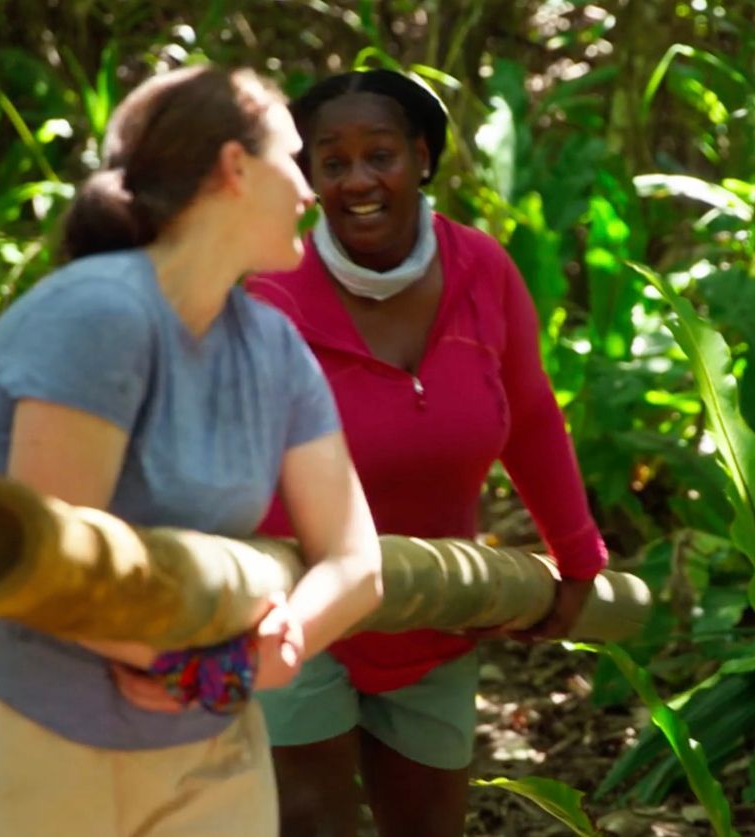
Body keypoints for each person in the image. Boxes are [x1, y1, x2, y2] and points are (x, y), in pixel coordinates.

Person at [0, 65, 383, 837]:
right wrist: (201, 668)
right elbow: (54, 569)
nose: (314, 191)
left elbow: (357, 561)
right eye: (295, 159)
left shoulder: (275, 346)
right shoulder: (101, 311)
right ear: (234, 167)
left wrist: (256, 661)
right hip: (19, 741)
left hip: (205, 756)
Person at [247, 69, 609, 837]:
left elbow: (533, 417)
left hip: (439, 607)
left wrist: (576, 560)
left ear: (420, 157)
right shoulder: (267, 288)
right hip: (295, 604)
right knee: (308, 820)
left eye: (379, 155)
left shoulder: (483, 269)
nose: (357, 181)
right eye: (331, 163)